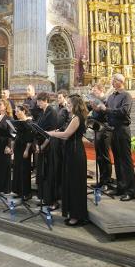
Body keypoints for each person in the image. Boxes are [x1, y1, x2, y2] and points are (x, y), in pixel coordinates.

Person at [48, 94, 89, 227]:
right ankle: (74, 213)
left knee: (75, 184)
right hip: (72, 151)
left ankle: (77, 216)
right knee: (70, 183)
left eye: (70, 104)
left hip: (75, 153)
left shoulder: (77, 118)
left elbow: (66, 135)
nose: (67, 106)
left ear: (75, 105)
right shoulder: (74, 117)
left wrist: (51, 133)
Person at [92, 73, 135, 201]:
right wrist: (98, 109)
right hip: (112, 130)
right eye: (112, 80)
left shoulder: (126, 96)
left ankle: (130, 190)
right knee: (117, 159)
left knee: (126, 161)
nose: (111, 82)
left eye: (113, 80)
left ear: (120, 81)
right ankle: (120, 187)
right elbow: (107, 113)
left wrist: (106, 109)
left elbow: (123, 112)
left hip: (122, 130)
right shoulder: (111, 97)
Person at [36, 92, 60, 209]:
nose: (37, 103)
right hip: (42, 146)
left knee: (51, 173)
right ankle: (46, 198)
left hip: (50, 146)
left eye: (39, 100)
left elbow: (53, 131)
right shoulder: (43, 113)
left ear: (45, 100)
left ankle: (53, 201)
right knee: (43, 173)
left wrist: (43, 146)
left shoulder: (52, 112)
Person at [88, 83, 112, 188]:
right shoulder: (95, 101)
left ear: (101, 89)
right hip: (97, 130)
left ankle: (107, 181)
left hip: (105, 130)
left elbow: (107, 115)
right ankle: (101, 181)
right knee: (99, 157)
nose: (93, 92)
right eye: (92, 91)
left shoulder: (106, 100)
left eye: (94, 90)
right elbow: (94, 115)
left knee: (105, 156)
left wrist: (98, 109)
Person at [12, 105, 33, 200]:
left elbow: (30, 138)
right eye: (15, 112)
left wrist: (27, 150)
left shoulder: (28, 122)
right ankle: (19, 191)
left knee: (24, 170)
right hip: (18, 147)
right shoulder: (18, 122)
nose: (15, 114)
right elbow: (15, 136)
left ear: (23, 111)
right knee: (17, 169)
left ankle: (26, 193)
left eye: (17, 111)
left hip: (25, 148)